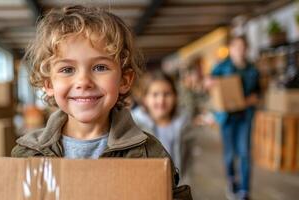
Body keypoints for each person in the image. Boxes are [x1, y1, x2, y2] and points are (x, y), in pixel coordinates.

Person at [11, 5, 192, 199]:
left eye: (99, 67)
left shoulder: (149, 152)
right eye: (67, 70)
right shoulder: (27, 154)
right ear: (48, 84)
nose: (83, 82)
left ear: (124, 80)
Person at [210, 35, 260, 200]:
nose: (240, 50)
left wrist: (253, 99)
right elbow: (209, 81)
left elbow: (259, 93)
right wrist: (210, 83)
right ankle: (232, 181)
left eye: (242, 47)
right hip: (227, 117)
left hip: (245, 117)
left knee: (245, 153)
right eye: (236, 47)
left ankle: (245, 190)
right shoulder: (222, 67)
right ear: (230, 49)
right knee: (230, 154)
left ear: (246, 49)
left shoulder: (253, 70)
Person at [131, 71, 190, 177]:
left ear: (175, 97)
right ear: (145, 99)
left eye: (167, 94)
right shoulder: (134, 127)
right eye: (155, 94)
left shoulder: (184, 125)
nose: (161, 100)